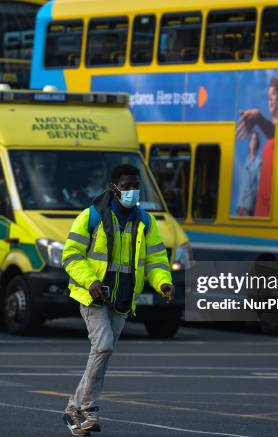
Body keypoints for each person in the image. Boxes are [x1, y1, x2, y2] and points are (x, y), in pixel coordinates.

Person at [61, 164, 174, 436]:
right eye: (126, 187)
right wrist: (91, 281)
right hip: (93, 294)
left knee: (102, 352)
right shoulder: (91, 216)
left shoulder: (145, 221)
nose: (132, 192)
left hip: (122, 298)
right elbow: (71, 255)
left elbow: (156, 259)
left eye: (136, 187)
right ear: (114, 187)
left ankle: (74, 410)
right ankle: (86, 408)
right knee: (103, 346)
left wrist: (163, 282)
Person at [237, 77, 278, 217]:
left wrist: (259, 119)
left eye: (274, 94)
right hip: (262, 202)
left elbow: (276, 132)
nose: (270, 98)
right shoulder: (272, 129)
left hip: (273, 203)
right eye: (269, 96)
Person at [236, 131, 262, 216]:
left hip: (249, 206)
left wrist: (249, 196)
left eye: (254, 140)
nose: (252, 142)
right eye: (251, 139)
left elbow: (259, 187)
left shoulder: (259, 163)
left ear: (257, 144)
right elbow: (242, 185)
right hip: (240, 205)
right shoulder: (245, 161)